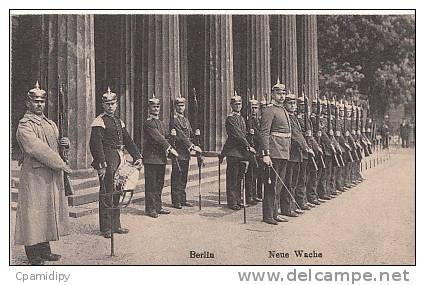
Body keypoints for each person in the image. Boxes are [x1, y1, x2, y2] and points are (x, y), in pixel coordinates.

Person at [15, 82, 72, 265]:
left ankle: (45, 250)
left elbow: (56, 146)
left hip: (48, 175)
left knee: (47, 212)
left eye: (41, 101)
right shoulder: (25, 125)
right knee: (33, 213)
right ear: (28, 103)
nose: (39, 104)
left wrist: (65, 144)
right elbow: (36, 148)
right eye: (35, 101)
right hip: (34, 176)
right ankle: (33, 254)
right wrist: (60, 164)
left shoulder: (51, 124)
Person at [89, 87, 142, 237]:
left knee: (118, 190)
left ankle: (116, 224)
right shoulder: (99, 121)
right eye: (107, 104)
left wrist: (137, 156)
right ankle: (106, 228)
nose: (110, 106)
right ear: (103, 105)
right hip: (107, 158)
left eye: (113, 103)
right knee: (107, 192)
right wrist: (101, 164)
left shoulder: (119, 121)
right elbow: (95, 145)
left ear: (117, 104)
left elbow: (128, 140)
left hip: (120, 157)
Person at [258, 80, 292, 225]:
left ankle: (275, 213)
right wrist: (266, 154)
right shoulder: (269, 110)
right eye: (279, 93)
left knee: (279, 185)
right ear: (273, 94)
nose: (282, 96)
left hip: (284, 151)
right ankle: (268, 215)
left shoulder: (283, 110)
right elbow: (264, 133)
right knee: (271, 185)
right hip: (274, 151)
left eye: (284, 93)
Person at [143, 94, 179, 218]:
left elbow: (165, 137)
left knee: (159, 184)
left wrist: (172, 135)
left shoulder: (161, 123)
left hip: (160, 158)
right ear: (149, 108)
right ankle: (150, 208)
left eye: (158, 106)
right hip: (151, 158)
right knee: (151, 184)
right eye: (154, 106)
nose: (156, 109)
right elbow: (158, 138)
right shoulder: (149, 123)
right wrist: (169, 148)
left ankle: (158, 206)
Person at [221, 93, 255, 210]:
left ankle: (238, 199)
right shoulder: (230, 119)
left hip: (241, 153)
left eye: (240, 104)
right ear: (231, 105)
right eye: (236, 104)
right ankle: (232, 201)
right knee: (232, 178)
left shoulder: (241, 118)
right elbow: (237, 135)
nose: (238, 106)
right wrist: (248, 146)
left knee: (240, 178)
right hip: (233, 152)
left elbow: (243, 134)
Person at [282, 92, 313, 216]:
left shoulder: (293, 117)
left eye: (294, 103)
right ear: (285, 104)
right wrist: (306, 147)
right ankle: (287, 208)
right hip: (290, 153)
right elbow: (295, 135)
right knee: (288, 182)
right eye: (290, 103)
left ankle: (292, 205)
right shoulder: (287, 117)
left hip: (297, 154)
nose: (293, 105)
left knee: (294, 181)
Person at [170, 94, 202, 209]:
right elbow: (180, 136)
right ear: (175, 107)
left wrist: (195, 134)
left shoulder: (186, 120)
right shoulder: (174, 120)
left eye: (182, 105)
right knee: (177, 177)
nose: (181, 108)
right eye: (178, 105)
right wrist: (192, 146)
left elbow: (189, 134)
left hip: (186, 154)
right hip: (178, 152)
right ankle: (176, 200)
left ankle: (182, 199)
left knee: (184, 177)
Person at [245, 95, 263, 205]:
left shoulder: (259, 121)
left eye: (256, 107)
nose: (254, 110)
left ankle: (255, 194)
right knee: (250, 174)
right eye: (252, 107)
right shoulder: (247, 120)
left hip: (258, 149)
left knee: (257, 174)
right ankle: (249, 195)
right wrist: (249, 134)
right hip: (251, 150)